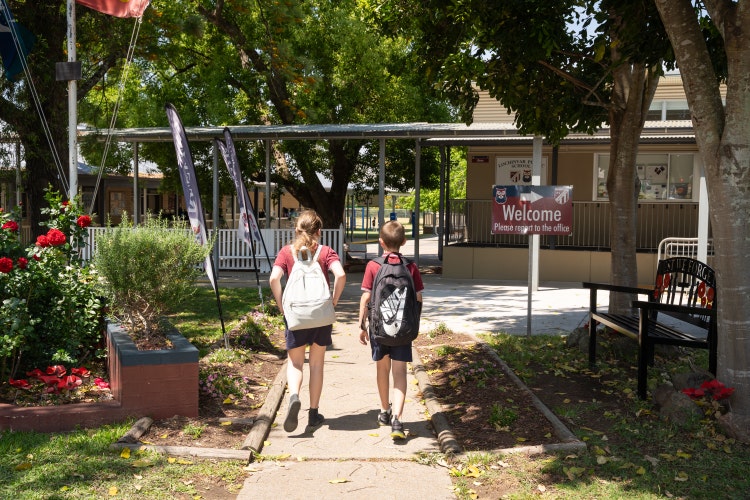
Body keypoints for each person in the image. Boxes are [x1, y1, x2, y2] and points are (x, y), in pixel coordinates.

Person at [269, 210, 346, 432]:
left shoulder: (286, 252)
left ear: (296, 230)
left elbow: (274, 278)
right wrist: (333, 302)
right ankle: (313, 414)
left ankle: (294, 396)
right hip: (321, 316)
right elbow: (340, 275)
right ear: (319, 232)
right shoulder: (325, 252)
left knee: (295, 363)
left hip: (296, 316)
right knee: (317, 364)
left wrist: (282, 306)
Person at [358, 220, 423, 439]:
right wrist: (414, 324)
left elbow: (366, 296)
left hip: (379, 329)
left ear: (381, 242)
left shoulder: (373, 266)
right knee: (400, 372)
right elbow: (419, 297)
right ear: (404, 242)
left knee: (382, 370)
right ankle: (398, 419)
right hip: (403, 330)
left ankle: (384, 411)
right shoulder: (411, 267)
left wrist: (361, 325)